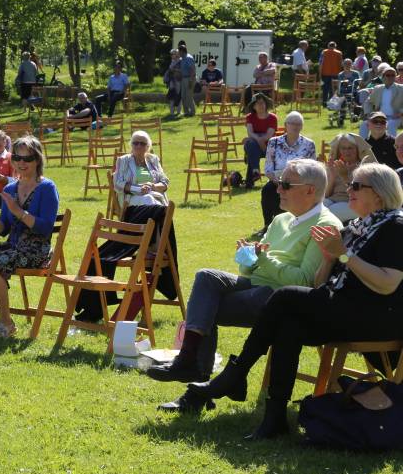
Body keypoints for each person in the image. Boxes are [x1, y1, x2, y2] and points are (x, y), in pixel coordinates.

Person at [183, 163, 403, 440]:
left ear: (380, 194)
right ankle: (274, 418)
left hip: (375, 317)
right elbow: (322, 283)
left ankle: (236, 374)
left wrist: (344, 255)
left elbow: (388, 284)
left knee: (286, 294)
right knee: (288, 324)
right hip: (342, 308)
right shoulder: (355, 227)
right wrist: (328, 258)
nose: (349, 190)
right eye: (350, 185)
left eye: (357, 186)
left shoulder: (395, 226)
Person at [149, 159, 341, 400]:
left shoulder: (326, 225)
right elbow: (249, 272)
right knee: (206, 277)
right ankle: (192, 363)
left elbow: (304, 282)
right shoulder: (282, 219)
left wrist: (263, 259)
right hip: (259, 286)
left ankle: (198, 385)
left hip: (282, 299)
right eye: (279, 183)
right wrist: (249, 258)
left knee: (206, 308)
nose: (278, 189)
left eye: (286, 184)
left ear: (310, 190)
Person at [77, 131, 179, 321]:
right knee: (158, 209)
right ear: (130, 145)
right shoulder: (124, 160)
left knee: (155, 204)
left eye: (142, 144)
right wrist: (138, 189)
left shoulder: (153, 160)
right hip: (132, 203)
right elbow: (118, 183)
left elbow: (165, 182)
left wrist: (152, 186)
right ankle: (155, 246)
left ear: (148, 147)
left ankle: (151, 245)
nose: (138, 147)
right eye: (135, 144)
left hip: (153, 199)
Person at [0, 135, 59, 338]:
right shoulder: (10, 188)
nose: (21, 163)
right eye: (17, 158)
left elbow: (45, 228)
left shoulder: (47, 188)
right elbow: (2, 230)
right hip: (13, 245)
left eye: (27, 158)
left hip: (36, 250)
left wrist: (19, 212)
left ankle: (6, 323)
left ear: (38, 160)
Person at [259, 111, 316, 229]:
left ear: (302, 126)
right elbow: (268, 167)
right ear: (286, 125)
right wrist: (275, 180)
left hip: (298, 182)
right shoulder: (273, 142)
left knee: (290, 190)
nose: (295, 126)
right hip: (276, 180)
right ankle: (268, 226)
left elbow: (312, 168)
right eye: (292, 123)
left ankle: (288, 224)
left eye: (299, 124)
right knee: (268, 190)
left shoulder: (309, 144)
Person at [324, 132, 374, 222]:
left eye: (350, 148)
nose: (347, 151)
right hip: (333, 200)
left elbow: (361, 193)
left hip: (354, 203)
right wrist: (332, 176)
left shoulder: (364, 167)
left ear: (358, 149)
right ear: (339, 150)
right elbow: (326, 195)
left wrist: (345, 175)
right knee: (313, 208)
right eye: (343, 148)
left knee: (329, 212)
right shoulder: (336, 165)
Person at [243, 93, 277, 189]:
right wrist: (260, 140)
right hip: (256, 146)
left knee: (251, 149)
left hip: (268, 148)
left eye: (262, 103)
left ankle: (251, 178)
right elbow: (250, 133)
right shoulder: (250, 117)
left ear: (266, 104)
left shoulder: (273, 118)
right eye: (257, 103)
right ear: (253, 106)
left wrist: (259, 140)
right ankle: (255, 171)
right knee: (251, 144)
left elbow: (268, 135)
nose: (260, 105)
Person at [362, 64, 403, 137]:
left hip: (397, 117)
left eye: (393, 75)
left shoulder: (401, 89)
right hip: (379, 117)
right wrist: (368, 114)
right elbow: (368, 102)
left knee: (391, 124)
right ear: (383, 77)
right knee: (364, 124)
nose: (390, 77)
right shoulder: (378, 88)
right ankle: (363, 147)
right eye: (388, 75)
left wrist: (400, 113)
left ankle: (392, 147)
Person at [319, 41, 342, 105]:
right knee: (333, 89)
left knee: (325, 89)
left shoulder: (324, 52)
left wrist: (320, 74)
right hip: (335, 74)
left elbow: (321, 63)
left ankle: (324, 102)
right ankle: (332, 103)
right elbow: (340, 64)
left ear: (328, 46)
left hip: (325, 73)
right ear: (335, 46)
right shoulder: (339, 53)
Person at [179, 44, 197, 117]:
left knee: (189, 96)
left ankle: (192, 112)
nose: (178, 53)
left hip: (189, 78)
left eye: (179, 52)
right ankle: (186, 112)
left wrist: (190, 80)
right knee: (183, 96)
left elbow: (192, 70)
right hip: (183, 78)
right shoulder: (182, 58)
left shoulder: (188, 58)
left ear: (182, 51)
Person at [164, 49, 183, 117]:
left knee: (179, 96)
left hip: (179, 81)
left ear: (177, 54)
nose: (172, 55)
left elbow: (182, 70)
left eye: (173, 54)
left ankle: (178, 111)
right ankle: (171, 112)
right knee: (171, 95)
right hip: (172, 81)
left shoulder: (181, 61)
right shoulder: (172, 61)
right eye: (171, 54)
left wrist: (174, 70)